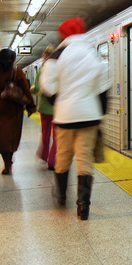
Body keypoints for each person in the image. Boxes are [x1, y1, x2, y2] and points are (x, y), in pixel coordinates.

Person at [40, 17, 110, 220]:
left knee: (62, 159)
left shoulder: (56, 56)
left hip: (65, 117)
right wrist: (100, 112)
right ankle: (83, 207)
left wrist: (59, 103)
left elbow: (48, 86)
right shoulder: (93, 54)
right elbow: (103, 85)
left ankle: (61, 196)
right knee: (84, 160)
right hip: (89, 117)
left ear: (64, 35)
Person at [0, 49, 36, 175]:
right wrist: (30, 104)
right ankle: (10, 157)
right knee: (12, 135)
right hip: (15, 108)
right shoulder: (17, 72)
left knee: (1, 136)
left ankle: (6, 163)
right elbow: (26, 89)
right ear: (12, 60)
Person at [31, 45, 57, 171]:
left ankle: (44, 155)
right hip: (58, 108)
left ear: (46, 56)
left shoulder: (42, 70)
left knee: (45, 133)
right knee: (57, 135)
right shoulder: (60, 68)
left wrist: (33, 89)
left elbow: (36, 88)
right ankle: (53, 161)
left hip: (45, 108)